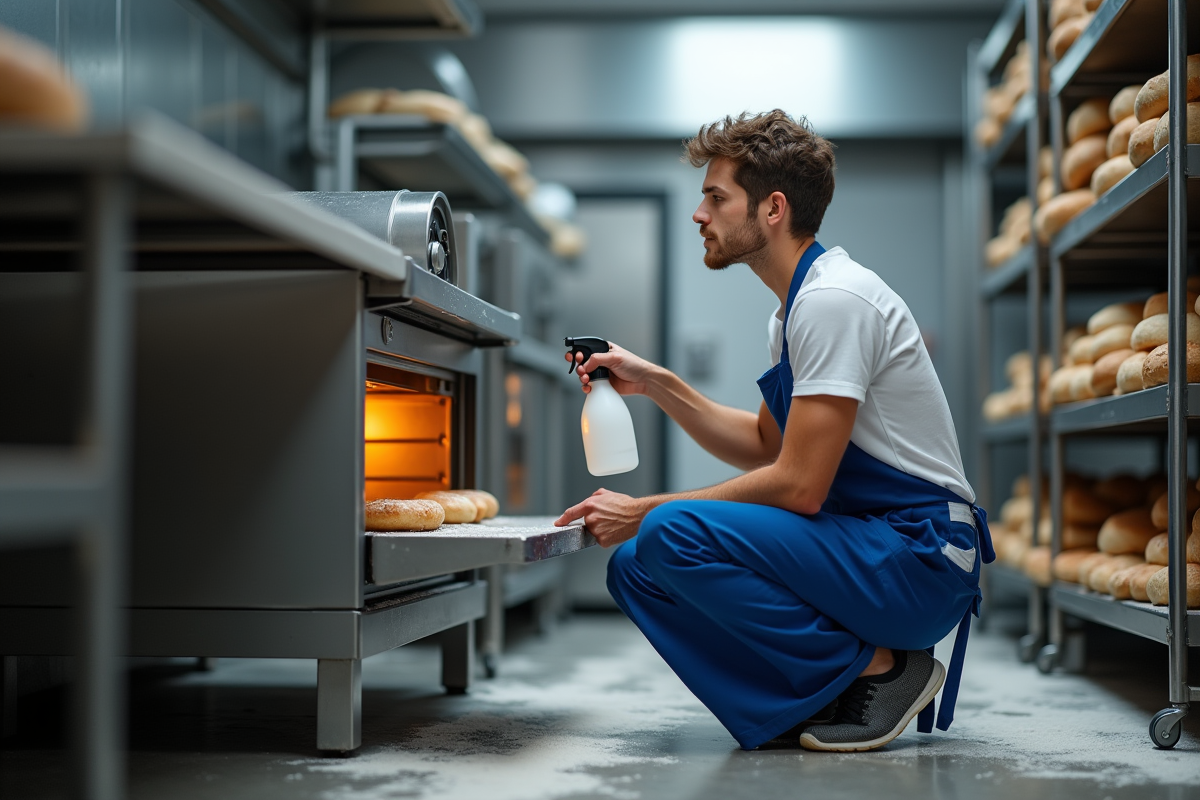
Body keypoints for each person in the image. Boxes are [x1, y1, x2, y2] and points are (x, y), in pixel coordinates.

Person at [553, 110, 993, 753]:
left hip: (920, 557)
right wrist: (654, 382)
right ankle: (823, 695)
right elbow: (765, 445)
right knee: (635, 568)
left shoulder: (835, 301)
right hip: (867, 547)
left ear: (773, 209)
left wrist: (642, 511)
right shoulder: (791, 313)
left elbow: (799, 487)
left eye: (716, 197)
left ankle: (883, 673)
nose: (699, 214)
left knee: (667, 531)